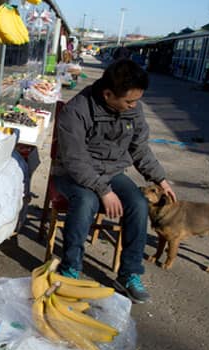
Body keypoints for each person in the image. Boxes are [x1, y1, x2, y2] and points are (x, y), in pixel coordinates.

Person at [51, 59, 176, 303]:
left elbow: (139, 148)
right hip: (72, 173)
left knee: (138, 204)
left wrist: (159, 178)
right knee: (86, 201)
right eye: (129, 101)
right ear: (108, 94)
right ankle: (70, 268)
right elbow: (75, 160)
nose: (134, 106)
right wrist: (103, 191)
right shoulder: (76, 111)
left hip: (111, 172)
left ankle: (129, 274)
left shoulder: (132, 109)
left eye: (136, 101)